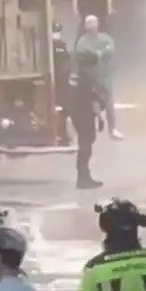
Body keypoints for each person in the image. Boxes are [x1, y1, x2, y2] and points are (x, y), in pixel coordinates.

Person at [75, 15, 121, 139]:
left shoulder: (105, 38)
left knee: (109, 102)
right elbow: (81, 55)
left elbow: (110, 50)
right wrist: (97, 54)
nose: (91, 27)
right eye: (89, 24)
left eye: (93, 24)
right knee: (91, 102)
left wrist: (98, 54)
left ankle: (113, 128)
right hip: (90, 77)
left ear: (97, 24)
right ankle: (96, 122)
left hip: (105, 75)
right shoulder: (82, 42)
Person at [65, 52, 104, 189]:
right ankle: (83, 178)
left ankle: (83, 176)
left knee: (84, 143)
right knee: (86, 145)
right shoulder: (89, 76)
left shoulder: (77, 74)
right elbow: (93, 99)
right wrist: (100, 118)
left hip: (76, 113)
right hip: (85, 113)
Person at [52, 22, 73, 143]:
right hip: (54, 80)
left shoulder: (61, 45)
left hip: (62, 81)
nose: (56, 34)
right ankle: (61, 135)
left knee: (64, 109)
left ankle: (62, 134)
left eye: (58, 32)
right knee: (59, 109)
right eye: (54, 32)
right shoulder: (48, 46)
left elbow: (66, 61)